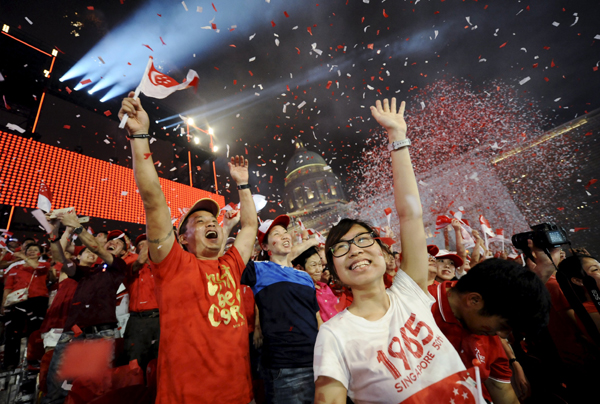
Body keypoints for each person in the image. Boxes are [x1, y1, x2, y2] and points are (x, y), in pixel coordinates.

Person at [314, 98, 465, 403]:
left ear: (383, 254)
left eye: (363, 240)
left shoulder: (410, 293)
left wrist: (398, 138)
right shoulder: (334, 335)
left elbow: (410, 215)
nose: (354, 250)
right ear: (334, 270)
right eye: (340, 248)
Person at [119, 92, 258, 404]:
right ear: (182, 238)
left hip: (241, 396)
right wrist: (140, 135)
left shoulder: (232, 264)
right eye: (200, 221)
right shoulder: (172, 264)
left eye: (214, 219)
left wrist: (243, 184)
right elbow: (154, 200)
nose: (212, 224)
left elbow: (249, 226)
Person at [428, 258, 550, 403]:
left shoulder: (486, 329)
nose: (502, 335)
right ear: (474, 300)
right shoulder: (414, 308)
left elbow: (503, 393)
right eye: (503, 326)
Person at [43, 210, 128, 404]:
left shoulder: (118, 266)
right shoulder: (86, 272)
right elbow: (60, 258)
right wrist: (60, 230)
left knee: (96, 391)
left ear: (123, 252)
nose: (113, 243)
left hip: (101, 334)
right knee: (59, 390)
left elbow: (97, 248)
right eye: (111, 241)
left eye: (119, 243)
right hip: (73, 334)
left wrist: (76, 225)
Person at [242, 215, 321, 404]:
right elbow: (225, 265)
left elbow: (317, 318)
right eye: (277, 234)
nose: (285, 236)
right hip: (285, 367)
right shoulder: (258, 270)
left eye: (286, 232)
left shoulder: (304, 277)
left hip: (317, 362)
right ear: (265, 247)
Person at [2, 243, 50, 368]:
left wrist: (24, 257)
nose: (32, 252)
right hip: (16, 302)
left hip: (37, 300)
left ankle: (33, 361)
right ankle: (9, 363)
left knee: (34, 331)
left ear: (41, 253)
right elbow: (7, 287)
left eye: (36, 250)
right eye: (29, 250)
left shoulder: (44, 265)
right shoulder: (15, 268)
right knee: (12, 332)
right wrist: (3, 304)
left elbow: (36, 266)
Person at [122, 234, 159, 373]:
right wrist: (154, 236)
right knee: (134, 363)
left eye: (147, 243)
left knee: (159, 362)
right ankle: (135, 392)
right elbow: (141, 259)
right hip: (138, 321)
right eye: (141, 245)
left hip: (159, 319)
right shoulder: (130, 265)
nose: (146, 247)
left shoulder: (161, 267)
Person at [292, 246, 341, 322]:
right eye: (313, 265)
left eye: (320, 264)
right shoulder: (303, 293)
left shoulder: (325, 287)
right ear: (300, 268)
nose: (319, 269)